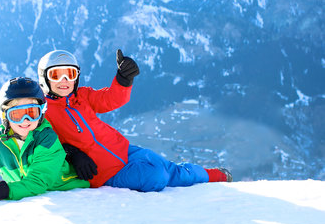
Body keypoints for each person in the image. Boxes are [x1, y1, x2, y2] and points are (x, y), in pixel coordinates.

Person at [37, 49, 233, 192]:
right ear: (44, 78)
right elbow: (42, 143)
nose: (64, 80)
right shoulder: (44, 112)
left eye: (69, 74)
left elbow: (111, 99)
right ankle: (211, 175)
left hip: (124, 149)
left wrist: (123, 79)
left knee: (172, 170)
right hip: (105, 172)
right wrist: (72, 154)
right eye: (56, 74)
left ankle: (217, 175)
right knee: (158, 175)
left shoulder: (83, 95)